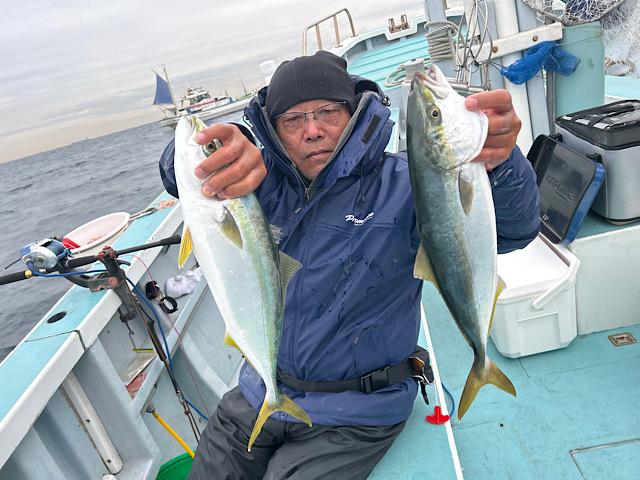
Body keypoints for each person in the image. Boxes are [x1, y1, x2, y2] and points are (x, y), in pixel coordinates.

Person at [159, 51, 540, 479]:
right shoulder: (255, 186)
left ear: (354, 112)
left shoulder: (407, 182)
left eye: (328, 112)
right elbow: (183, 177)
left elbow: (515, 230)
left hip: (358, 412)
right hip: (258, 391)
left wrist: (501, 163)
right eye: (293, 120)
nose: (312, 131)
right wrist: (217, 149)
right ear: (273, 131)